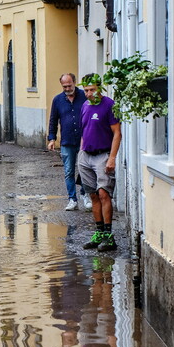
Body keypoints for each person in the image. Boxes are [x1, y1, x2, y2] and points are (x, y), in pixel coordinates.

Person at [78, 74, 122, 252]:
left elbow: (117, 133)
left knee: (104, 194)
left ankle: (109, 237)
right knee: (93, 195)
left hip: (102, 155)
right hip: (86, 155)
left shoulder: (109, 105)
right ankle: (99, 233)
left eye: (92, 90)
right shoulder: (85, 106)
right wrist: (82, 150)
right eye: (86, 90)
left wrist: (112, 157)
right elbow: (84, 130)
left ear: (100, 88)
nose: (89, 94)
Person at [47, 73, 90, 211]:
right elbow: (53, 120)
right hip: (67, 140)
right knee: (69, 171)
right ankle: (72, 199)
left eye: (69, 85)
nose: (67, 88)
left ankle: (85, 194)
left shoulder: (85, 96)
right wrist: (52, 138)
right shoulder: (58, 100)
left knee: (85, 169)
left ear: (75, 82)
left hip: (84, 140)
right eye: (64, 86)